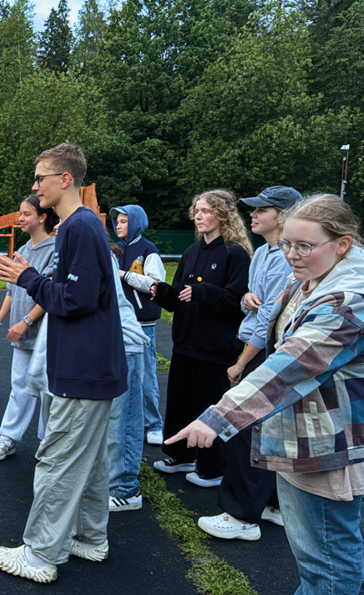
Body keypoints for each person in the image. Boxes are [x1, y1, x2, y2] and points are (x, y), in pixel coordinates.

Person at [168, 194, 364, 595]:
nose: (291, 255)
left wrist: (218, 416)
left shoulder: (346, 300)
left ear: (343, 243)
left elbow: (291, 365)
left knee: (329, 558)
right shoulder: (312, 276)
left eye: (304, 246)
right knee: (315, 557)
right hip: (305, 438)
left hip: (329, 443)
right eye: (287, 245)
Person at [0, 143, 127, 583]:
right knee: (89, 461)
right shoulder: (81, 227)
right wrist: (34, 279)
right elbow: (80, 292)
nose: (34, 187)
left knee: (57, 459)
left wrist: (26, 277)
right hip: (91, 368)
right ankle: (91, 538)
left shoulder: (78, 228)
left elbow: (77, 299)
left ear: (65, 179)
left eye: (40, 178)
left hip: (81, 369)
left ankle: (40, 554)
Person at [194, 186, 301, 540]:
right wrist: (246, 299)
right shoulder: (262, 254)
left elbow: (271, 319)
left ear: (283, 215)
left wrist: (241, 363)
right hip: (255, 346)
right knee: (265, 432)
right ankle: (272, 505)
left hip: (264, 353)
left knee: (247, 433)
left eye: (262, 210)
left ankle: (241, 517)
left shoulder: (290, 256)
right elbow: (250, 304)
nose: (252, 215)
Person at [151, 190, 251, 488]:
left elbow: (236, 302)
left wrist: (202, 291)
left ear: (222, 215)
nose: (198, 215)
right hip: (185, 342)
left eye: (206, 210)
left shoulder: (236, 254)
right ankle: (180, 455)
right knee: (181, 402)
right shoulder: (192, 252)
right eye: (197, 210)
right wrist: (164, 293)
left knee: (211, 406)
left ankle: (214, 467)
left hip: (215, 346)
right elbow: (179, 298)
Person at [0, 195, 57, 460]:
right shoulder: (22, 250)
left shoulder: (54, 250)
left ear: (42, 217)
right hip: (21, 334)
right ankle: (9, 437)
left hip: (45, 336)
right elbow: (10, 292)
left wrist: (25, 321)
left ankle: (47, 443)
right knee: (19, 386)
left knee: (48, 391)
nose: (20, 218)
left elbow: (50, 295)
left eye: (26, 213)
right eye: (20, 213)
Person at [110, 205, 167, 445]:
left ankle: (154, 424)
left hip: (142, 324)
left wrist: (125, 275)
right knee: (121, 374)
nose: (119, 226)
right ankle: (124, 420)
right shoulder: (117, 249)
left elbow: (157, 284)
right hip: (120, 323)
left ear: (136, 223)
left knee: (145, 377)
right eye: (118, 222)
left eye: (124, 221)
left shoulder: (148, 250)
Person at [105, 239, 150, 512]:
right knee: (115, 418)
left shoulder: (100, 256)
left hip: (126, 343)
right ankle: (117, 479)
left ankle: (126, 488)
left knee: (124, 418)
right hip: (113, 342)